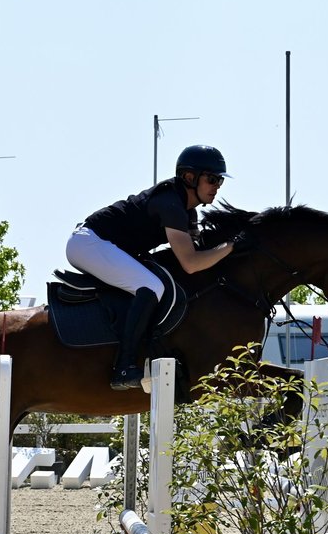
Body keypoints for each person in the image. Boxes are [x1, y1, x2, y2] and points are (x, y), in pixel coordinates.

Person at [66, 144, 241, 390]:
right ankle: (124, 367)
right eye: (212, 179)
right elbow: (191, 263)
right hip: (88, 244)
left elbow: (196, 255)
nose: (216, 187)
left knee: (157, 281)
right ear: (189, 177)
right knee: (150, 285)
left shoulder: (187, 211)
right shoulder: (170, 203)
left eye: (220, 182)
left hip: (104, 245)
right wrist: (231, 247)